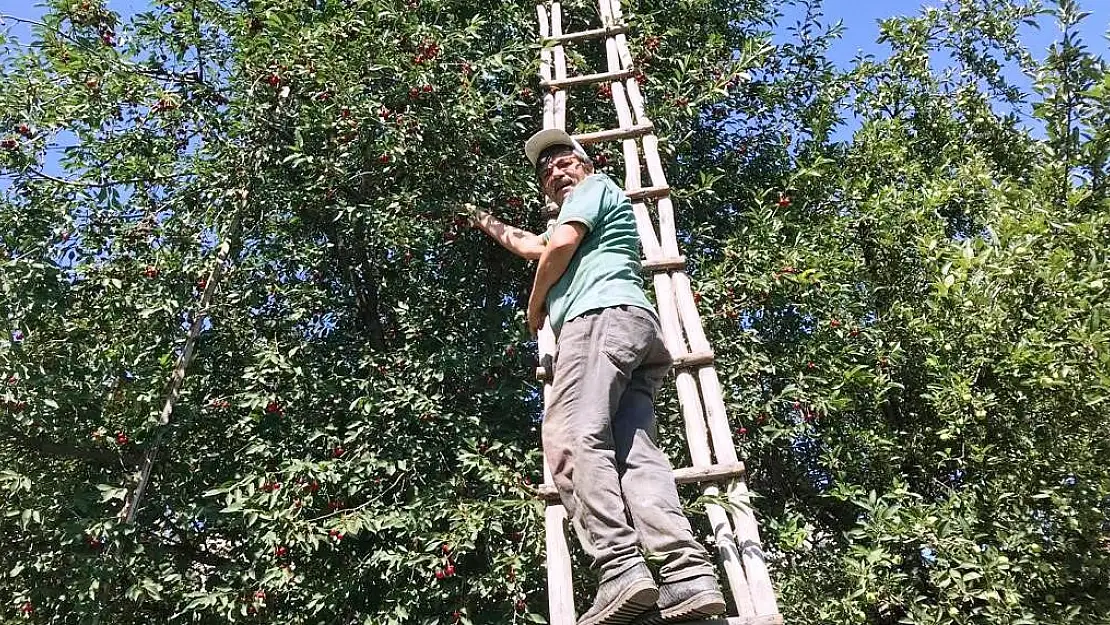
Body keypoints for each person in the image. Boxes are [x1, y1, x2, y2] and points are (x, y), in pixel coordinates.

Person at [467, 129, 726, 625]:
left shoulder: (596, 187)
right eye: (546, 171)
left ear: (584, 166)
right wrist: (478, 217)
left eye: (564, 163)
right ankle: (687, 574)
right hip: (633, 329)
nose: (555, 173)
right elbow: (533, 246)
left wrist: (536, 301)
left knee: (569, 438)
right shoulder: (582, 208)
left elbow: (559, 244)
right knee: (636, 455)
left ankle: (620, 568)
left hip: (598, 321)